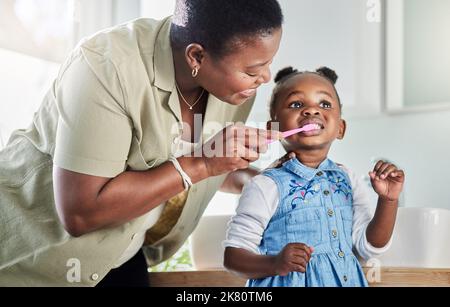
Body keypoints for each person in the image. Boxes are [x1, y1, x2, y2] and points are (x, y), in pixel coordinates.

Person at [0, 0, 284, 287]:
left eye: (268, 63)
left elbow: (191, 165)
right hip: (36, 264)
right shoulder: (106, 68)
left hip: (122, 254)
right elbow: (80, 213)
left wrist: (263, 184)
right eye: (252, 70)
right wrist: (203, 162)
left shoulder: (234, 89)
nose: (265, 77)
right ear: (196, 56)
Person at [223, 66, 405, 287]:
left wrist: (388, 200)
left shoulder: (348, 179)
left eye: (325, 104)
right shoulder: (265, 185)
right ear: (274, 128)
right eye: (297, 104)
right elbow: (233, 258)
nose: (312, 111)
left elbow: (368, 247)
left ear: (340, 128)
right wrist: (275, 264)